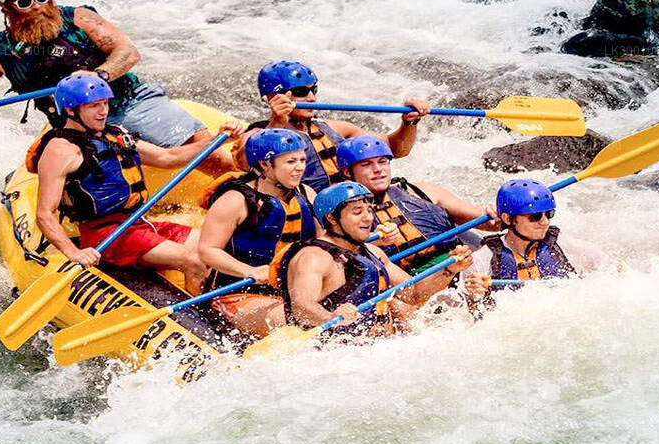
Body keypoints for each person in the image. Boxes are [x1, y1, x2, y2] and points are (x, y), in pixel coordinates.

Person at [0, 0, 232, 171]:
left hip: (127, 102)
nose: (37, 7)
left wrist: (98, 76)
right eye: (24, 2)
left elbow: (128, 52)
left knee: (210, 153)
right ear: (6, 8)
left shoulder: (80, 19)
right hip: (73, 127)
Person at [27, 75, 239, 293]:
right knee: (194, 260)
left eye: (105, 104)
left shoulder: (115, 135)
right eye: (93, 106)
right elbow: (44, 214)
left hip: (138, 223)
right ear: (71, 111)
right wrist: (74, 252)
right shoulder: (61, 150)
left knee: (210, 247)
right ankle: (199, 320)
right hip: (107, 234)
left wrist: (218, 139)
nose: (103, 111)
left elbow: (167, 157)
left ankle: (221, 300)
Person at [278, 181, 473, 336]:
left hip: (376, 350)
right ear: (331, 218)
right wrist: (331, 316)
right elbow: (301, 307)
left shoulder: (372, 251)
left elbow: (412, 295)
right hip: (336, 357)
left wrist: (449, 270)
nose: (368, 218)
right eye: (357, 212)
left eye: (369, 210)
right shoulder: (314, 257)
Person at [196, 128, 318, 337]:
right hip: (238, 294)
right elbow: (207, 250)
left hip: (292, 291)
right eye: (291, 162)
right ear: (265, 164)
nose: (300, 168)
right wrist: (248, 271)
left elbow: (324, 240)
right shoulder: (235, 200)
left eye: (302, 160)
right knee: (294, 320)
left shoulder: (307, 193)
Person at [246, 60, 431, 191]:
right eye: (301, 91)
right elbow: (242, 163)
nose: (312, 98)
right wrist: (277, 122)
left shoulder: (334, 128)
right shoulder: (257, 134)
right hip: (317, 215)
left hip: (354, 205)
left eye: (314, 89)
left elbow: (396, 149)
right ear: (272, 98)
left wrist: (409, 122)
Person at [335, 135, 502, 272]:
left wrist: (495, 213)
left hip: (460, 263)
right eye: (366, 164)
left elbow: (489, 222)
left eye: (382, 161)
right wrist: (373, 241)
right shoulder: (343, 213)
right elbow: (338, 255)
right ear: (347, 171)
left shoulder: (421, 191)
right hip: (410, 281)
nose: (378, 169)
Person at [463, 179, 595, 299]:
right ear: (507, 219)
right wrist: (474, 296)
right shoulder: (484, 258)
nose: (545, 222)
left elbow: (608, 273)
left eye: (549, 214)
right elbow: (468, 316)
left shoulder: (560, 243)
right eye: (535, 216)